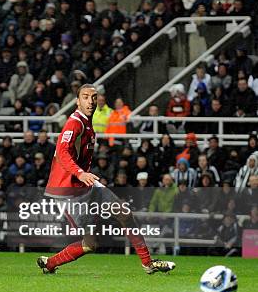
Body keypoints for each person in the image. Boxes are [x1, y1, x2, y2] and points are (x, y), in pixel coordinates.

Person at [37, 84, 175, 275]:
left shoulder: (88, 124)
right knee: (90, 244)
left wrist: (84, 175)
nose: (90, 101)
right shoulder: (74, 122)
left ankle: (148, 263)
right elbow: (62, 152)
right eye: (85, 97)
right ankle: (50, 263)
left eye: (94, 97)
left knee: (125, 213)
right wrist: (80, 173)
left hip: (86, 184)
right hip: (69, 189)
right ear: (77, 101)